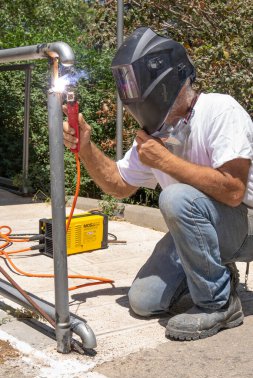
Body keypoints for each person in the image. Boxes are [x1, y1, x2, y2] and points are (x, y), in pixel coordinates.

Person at [63, 27, 253, 340]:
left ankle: (217, 304)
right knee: (143, 301)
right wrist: (85, 147)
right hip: (200, 227)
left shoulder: (221, 110)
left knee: (176, 198)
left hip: (245, 225)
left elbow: (233, 190)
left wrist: (164, 161)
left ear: (169, 82)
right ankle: (218, 273)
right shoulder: (158, 133)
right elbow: (119, 183)